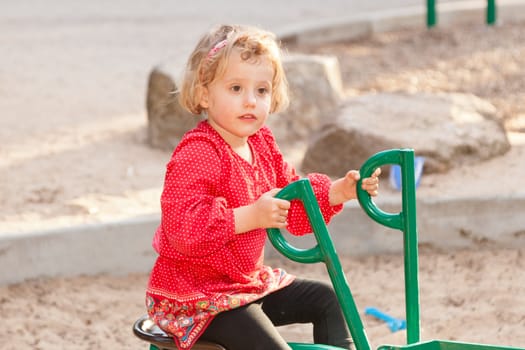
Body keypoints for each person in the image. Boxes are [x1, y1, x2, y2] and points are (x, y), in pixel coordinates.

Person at [145, 24, 381, 350]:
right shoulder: (198, 152)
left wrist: (336, 192)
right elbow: (183, 230)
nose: (250, 102)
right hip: (195, 297)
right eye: (236, 88)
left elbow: (291, 198)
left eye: (261, 91)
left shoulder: (261, 143)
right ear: (203, 94)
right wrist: (251, 216)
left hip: (243, 287)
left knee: (329, 300)